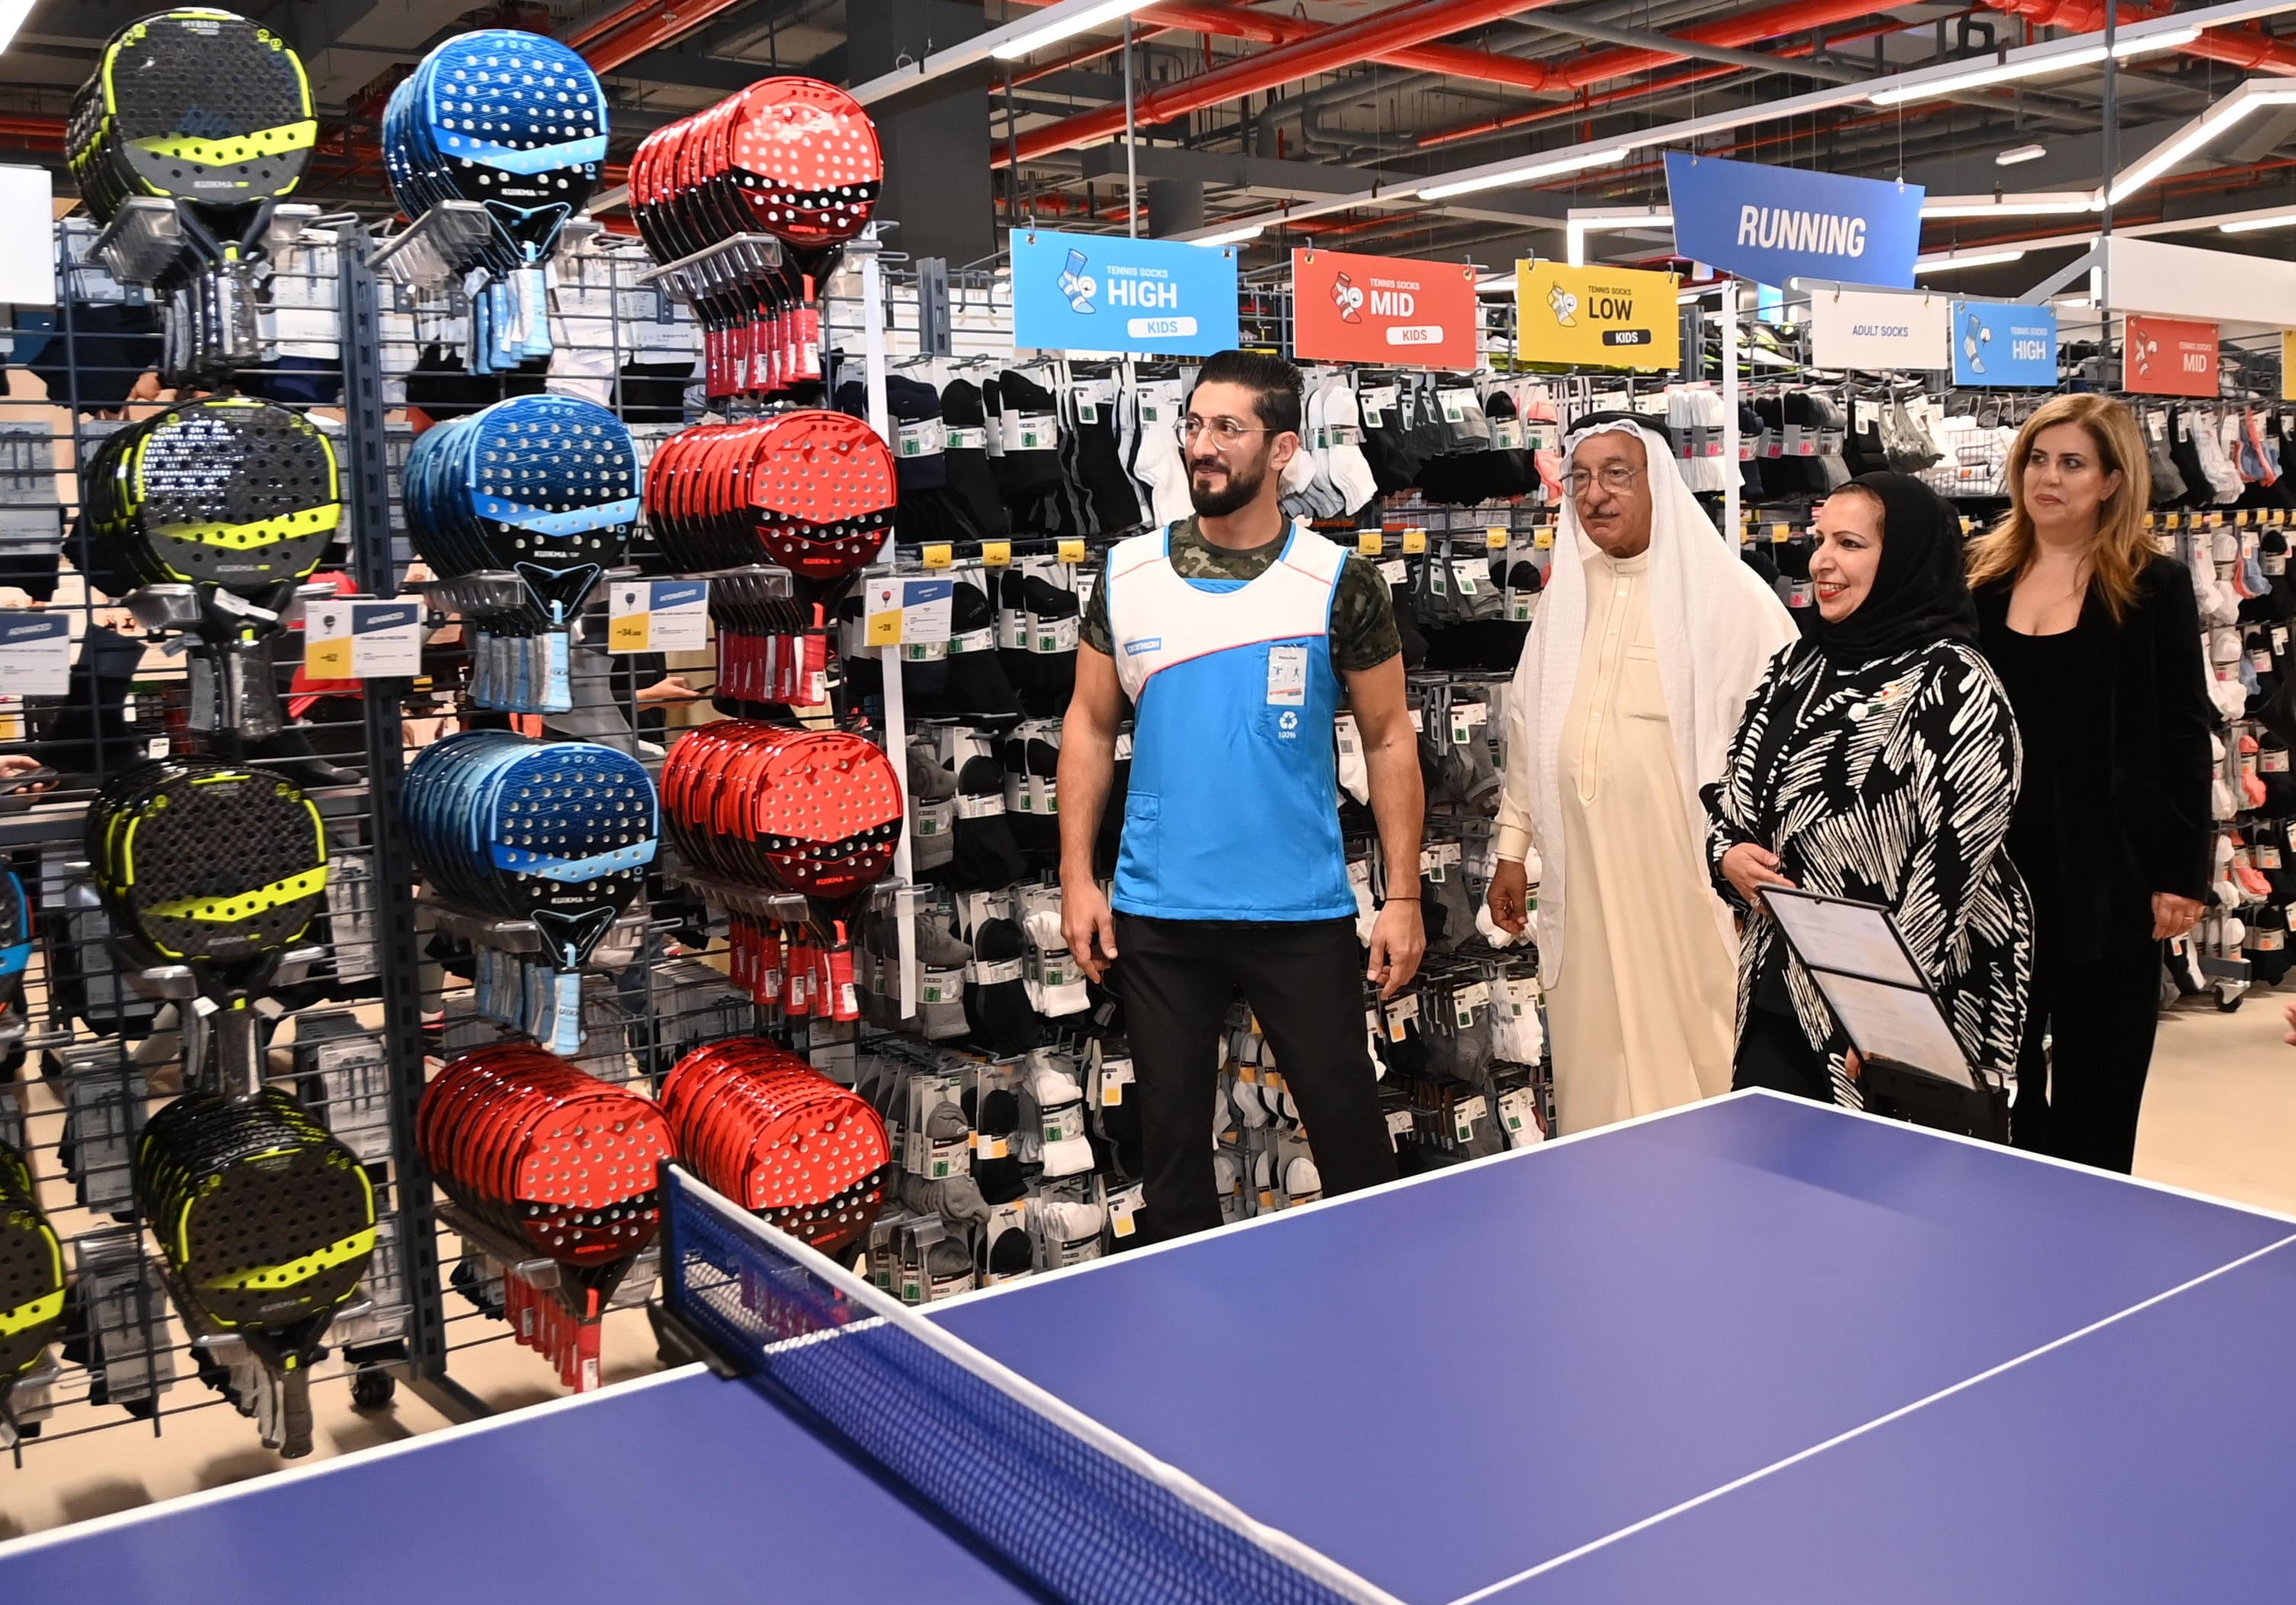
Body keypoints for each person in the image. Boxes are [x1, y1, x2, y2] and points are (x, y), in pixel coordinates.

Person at [1060, 350, 1424, 1243]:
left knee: (1350, 1137)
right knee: (1172, 1156)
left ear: (1284, 448)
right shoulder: (1128, 573)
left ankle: (1386, 1299)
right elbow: (1088, 726)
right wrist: (1075, 877)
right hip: (1161, 914)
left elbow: (1388, 737)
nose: (1203, 445)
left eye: (1229, 427)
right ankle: (1182, 1316)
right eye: (1193, 425)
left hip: (1299, 909)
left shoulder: (1338, 580)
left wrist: (1405, 896)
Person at [1486, 415, 1796, 1133]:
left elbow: (1785, 745)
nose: (1595, 494)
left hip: (1688, 886)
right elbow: (1531, 728)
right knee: (1598, 1058)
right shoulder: (1567, 599)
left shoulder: (1731, 600)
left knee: (1703, 1058)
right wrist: (1511, 849)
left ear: (1659, 482)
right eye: (1581, 478)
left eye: (1617, 474)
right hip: (1584, 880)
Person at [1706, 473, 2030, 1105]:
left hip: (1908, 1016)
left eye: (1850, 543)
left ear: (1906, 558)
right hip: (1781, 987)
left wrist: (1886, 1014)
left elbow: (1951, 867)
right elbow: (1733, 796)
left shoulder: (1954, 683)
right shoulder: (1797, 666)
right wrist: (1727, 855)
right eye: (1821, 538)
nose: (1821, 560)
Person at [1970, 393, 2211, 1173]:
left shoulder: (2153, 587)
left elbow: (2183, 733)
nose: (2049, 478)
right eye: (2038, 460)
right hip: (1995, 872)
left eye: (2072, 463)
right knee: (1995, 1085)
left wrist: (2182, 872)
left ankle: (2090, 1222)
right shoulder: (1980, 578)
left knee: (2099, 1086)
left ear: (2112, 480)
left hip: (2111, 874)